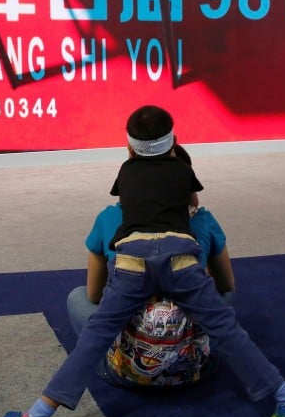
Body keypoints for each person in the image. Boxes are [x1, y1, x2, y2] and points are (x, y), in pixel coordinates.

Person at [3, 105, 285, 417]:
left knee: (95, 335)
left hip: (131, 260)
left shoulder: (125, 172)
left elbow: (127, 204)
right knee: (227, 329)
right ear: (173, 143)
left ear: (129, 147)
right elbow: (193, 204)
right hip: (180, 257)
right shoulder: (181, 171)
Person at [66, 144, 236, 387]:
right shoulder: (204, 221)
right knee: (223, 293)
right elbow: (227, 286)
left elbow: (94, 294)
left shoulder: (109, 219)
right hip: (194, 369)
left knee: (78, 296)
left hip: (126, 373)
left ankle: (112, 361)